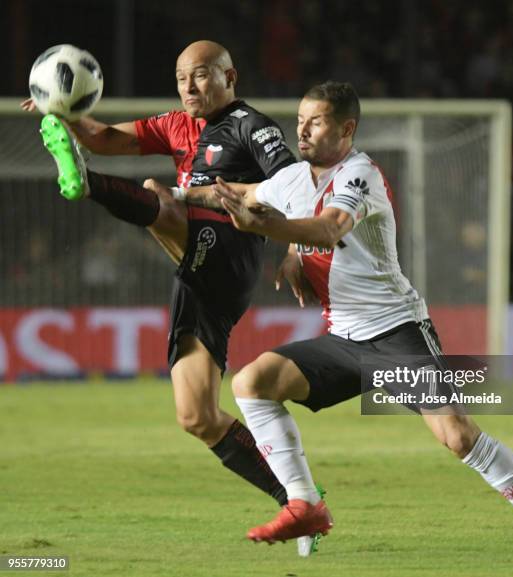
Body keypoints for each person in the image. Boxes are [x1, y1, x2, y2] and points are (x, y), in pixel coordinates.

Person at [213, 81, 513, 557]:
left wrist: (268, 227)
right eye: (301, 119)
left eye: (317, 121)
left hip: (395, 334)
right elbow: (237, 192)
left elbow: (328, 228)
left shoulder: (359, 173)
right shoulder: (290, 180)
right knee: (252, 383)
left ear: (346, 129)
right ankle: (305, 504)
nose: (302, 129)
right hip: (342, 340)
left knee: (457, 436)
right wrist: (174, 194)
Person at [28, 40, 306, 543]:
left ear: (230, 76)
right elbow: (107, 137)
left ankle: (87, 186)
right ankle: (297, 504)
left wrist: (296, 248)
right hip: (198, 276)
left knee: (160, 193)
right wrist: (61, 112)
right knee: (196, 416)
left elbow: (294, 182)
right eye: (182, 78)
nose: (189, 87)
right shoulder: (176, 124)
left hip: (233, 249)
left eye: (201, 75)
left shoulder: (252, 126)